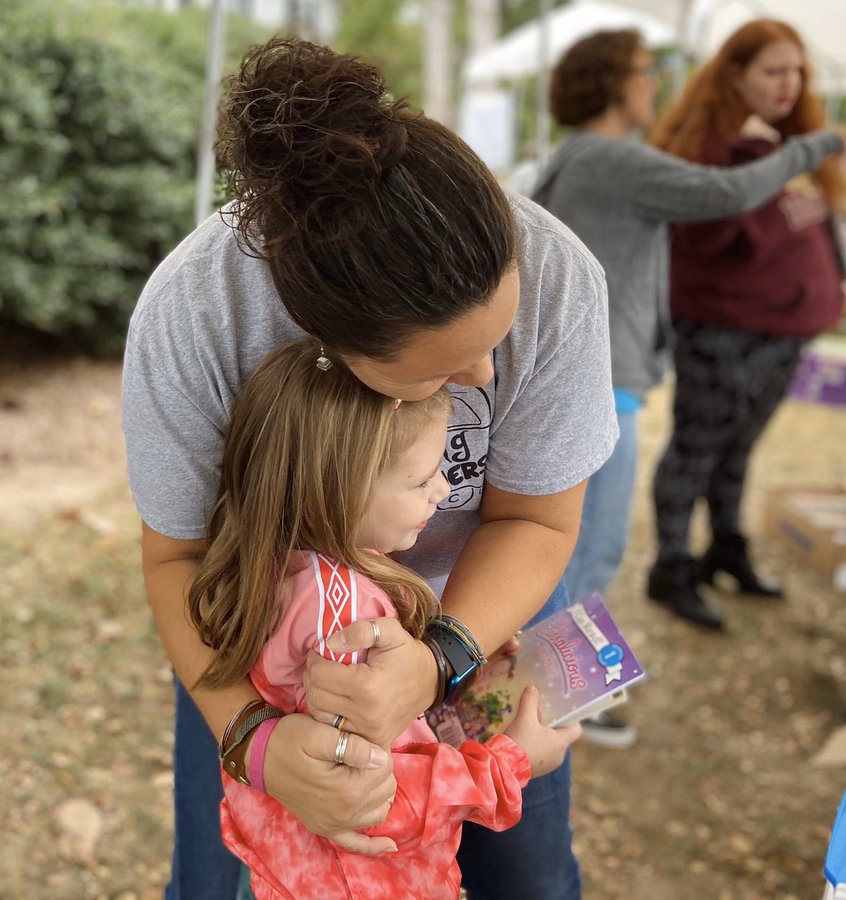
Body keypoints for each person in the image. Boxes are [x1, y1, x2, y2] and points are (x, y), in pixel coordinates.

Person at [121, 37, 617, 900]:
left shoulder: (561, 278)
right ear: (326, 346)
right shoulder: (195, 314)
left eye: (495, 341)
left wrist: (437, 659)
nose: (485, 382)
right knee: (225, 879)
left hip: (481, 617)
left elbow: (536, 520)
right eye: (442, 371)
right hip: (265, 654)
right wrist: (252, 739)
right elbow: (178, 559)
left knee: (525, 879)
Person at [192, 337, 576, 899]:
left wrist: (462, 668)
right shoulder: (343, 621)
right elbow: (375, 797)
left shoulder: (283, 570)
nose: (443, 494)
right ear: (339, 489)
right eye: (422, 481)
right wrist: (510, 764)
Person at [532, 28, 845, 633]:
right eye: (644, 71)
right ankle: (559, 700)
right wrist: (819, 145)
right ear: (613, 83)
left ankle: (546, 693)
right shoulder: (610, 157)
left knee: (574, 543)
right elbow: (723, 193)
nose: (654, 83)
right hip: (602, 380)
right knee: (589, 548)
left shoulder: (585, 156)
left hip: (595, 373)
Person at [644, 19, 846, 629]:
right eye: (772, 71)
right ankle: (671, 567)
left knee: (739, 449)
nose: (789, 84)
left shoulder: (785, 143)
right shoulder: (713, 150)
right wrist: (754, 160)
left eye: (796, 72)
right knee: (695, 449)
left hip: (781, 333)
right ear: (734, 73)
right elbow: (702, 239)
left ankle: (725, 549)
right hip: (722, 331)